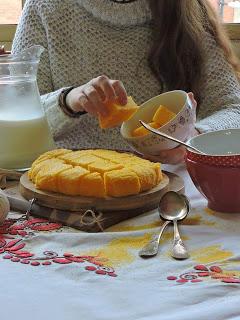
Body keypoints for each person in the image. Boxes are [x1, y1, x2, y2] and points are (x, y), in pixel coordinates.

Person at [12, 0, 240, 164]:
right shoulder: (44, 7)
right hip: (65, 183)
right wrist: (68, 101)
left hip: (169, 189)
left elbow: (233, 110)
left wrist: (195, 137)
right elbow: (13, 119)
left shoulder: (190, 11)